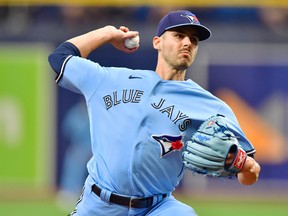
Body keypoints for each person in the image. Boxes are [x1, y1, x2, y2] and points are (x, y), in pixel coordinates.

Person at [48, 10, 261, 216]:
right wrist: (108, 33)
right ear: (157, 42)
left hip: (157, 208)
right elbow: (60, 59)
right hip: (99, 205)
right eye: (179, 35)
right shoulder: (110, 80)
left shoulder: (212, 107)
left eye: (194, 40)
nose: (188, 43)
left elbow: (250, 174)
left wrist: (245, 165)